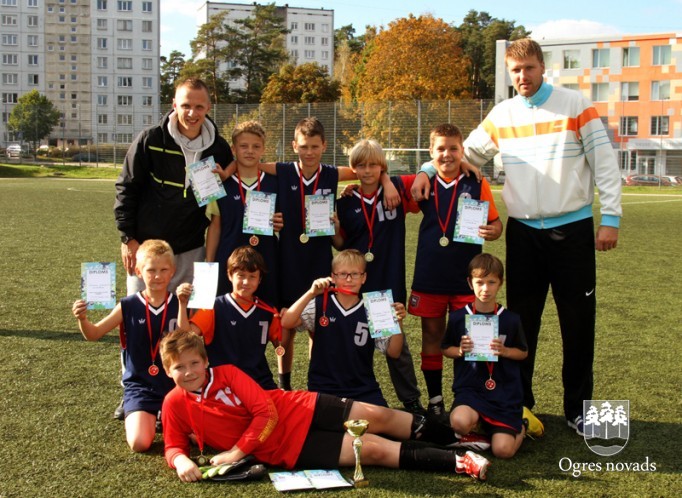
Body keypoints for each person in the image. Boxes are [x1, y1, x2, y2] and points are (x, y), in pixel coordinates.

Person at [411, 39, 622, 436]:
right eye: (516, 70)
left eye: (529, 68)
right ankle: (520, 402)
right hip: (523, 233)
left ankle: (579, 409)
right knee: (521, 323)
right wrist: (426, 168)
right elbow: (461, 155)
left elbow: (605, 163)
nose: (523, 76)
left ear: (542, 67)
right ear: (510, 74)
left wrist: (610, 217)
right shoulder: (503, 114)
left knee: (578, 322)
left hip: (572, 230)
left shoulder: (575, 105)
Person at [160, 329, 491, 482]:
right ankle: (460, 462)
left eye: (194, 363)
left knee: (377, 415)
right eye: (179, 367)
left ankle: (453, 437)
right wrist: (180, 461)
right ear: (167, 371)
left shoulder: (229, 374)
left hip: (298, 408)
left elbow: (267, 412)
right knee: (372, 449)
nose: (188, 372)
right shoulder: (174, 402)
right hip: (287, 448)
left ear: (206, 361)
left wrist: (235, 452)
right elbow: (173, 445)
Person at [112, 77, 233, 419]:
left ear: (208, 107)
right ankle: (133, 390)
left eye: (199, 106)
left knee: (188, 326)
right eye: (185, 105)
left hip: (193, 250)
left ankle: (183, 393)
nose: (192, 113)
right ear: (174, 105)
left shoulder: (218, 147)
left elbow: (228, 189)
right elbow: (126, 188)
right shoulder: (150, 140)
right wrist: (128, 239)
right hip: (149, 253)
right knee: (139, 325)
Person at [408, 123, 502, 422]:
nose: (447, 154)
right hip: (430, 274)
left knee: (473, 339)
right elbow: (387, 185)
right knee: (432, 335)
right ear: (430, 151)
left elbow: (496, 224)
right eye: (440, 149)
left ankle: (472, 399)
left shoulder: (476, 182)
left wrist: (494, 230)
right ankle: (435, 400)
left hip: (468, 279)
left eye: (453, 148)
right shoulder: (422, 182)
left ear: (462, 151)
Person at [332, 139, 424, 414]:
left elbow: (428, 173)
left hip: (386, 284)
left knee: (396, 349)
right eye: (361, 165)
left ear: (382, 166)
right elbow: (341, 244)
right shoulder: (345, 202)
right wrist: (334, 228)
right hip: (355, 287)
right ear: (354, 168)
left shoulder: (397, 190)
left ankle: (411, 402)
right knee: (354, 343)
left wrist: (387, 181)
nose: (367, 170)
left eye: (374, 165)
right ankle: (349, 396)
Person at [71, 240, 190, 452]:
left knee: (197, 436)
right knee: (139, 443)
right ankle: (146, 412)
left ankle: (163, 414)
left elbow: (185, 339)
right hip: (140, 385)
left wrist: (182, 304)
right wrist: (83, 319)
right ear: (138, 272)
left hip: (175, 384)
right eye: (151, 270)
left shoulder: (179, 302)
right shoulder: (127, 305)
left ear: (173, 271)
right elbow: (94, 334)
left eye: (164, 270)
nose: (157, 276)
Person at [281, 249, 406, 407]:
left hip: (363, 389)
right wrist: (310, 293)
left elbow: (394, 352)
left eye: (355, 274)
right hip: (323, 388)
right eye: (343, 274)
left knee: (388, 420)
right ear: (333, 277)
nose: (349, 279)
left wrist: (398, 322)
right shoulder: (320, 303)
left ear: (364, 277)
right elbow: (286, 322)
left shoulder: (374, 307)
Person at [442, 254, 528, 459]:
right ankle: (480, 425)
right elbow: (445, 348)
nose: (485, 289)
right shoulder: (457, 317)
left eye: (491, 282)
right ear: (470, 283)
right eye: (480, 282)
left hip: (503, 393)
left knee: (503, 451)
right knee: (459, 422)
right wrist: (460, 351)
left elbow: (523, 352)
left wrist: (505, 351)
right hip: (471, 390)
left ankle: (522, 426)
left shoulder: (510, 319)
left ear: (500, 283)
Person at [178, 246, 280, 390]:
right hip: (223, 384)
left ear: (260, 279)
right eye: (241, 275)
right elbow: (186, 337)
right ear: (230, 275)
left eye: (252, 276)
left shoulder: (268, 310)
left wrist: (286, 319)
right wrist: (182, 304)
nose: (246, 282)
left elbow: (280, 345)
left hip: (260, 382)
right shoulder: (213, 307)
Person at [205, 121, 282, 304]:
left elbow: (283, 221)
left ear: (263, 149)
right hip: (229, 259)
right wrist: (209, 263)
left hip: (265, 258)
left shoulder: (275, 183)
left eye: (256, 146)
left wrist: (279, 224)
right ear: (234, 149)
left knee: (265, 311)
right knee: (226, 311)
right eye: (243, 146)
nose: (250, 151)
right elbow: (215, 226)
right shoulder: (221, 184)